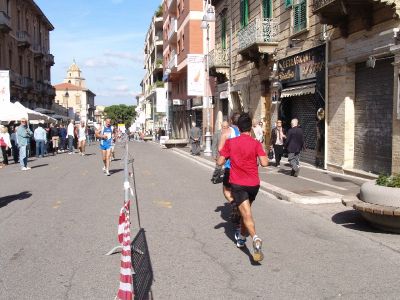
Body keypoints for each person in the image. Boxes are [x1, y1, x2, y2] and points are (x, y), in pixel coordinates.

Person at [217, 113, 268, 262]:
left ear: (238, 127)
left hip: (239, 184)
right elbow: (265, 163)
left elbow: (220, 162)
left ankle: (256, 238)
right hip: (254, 185)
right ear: (250, 128)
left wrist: (222, 157)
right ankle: (240, 238)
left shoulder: (231, 143)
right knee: (246, 212)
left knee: (246, 215)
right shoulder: (256, 143)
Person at [218, 113, 241, 219]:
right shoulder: (244, 132)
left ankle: (234, 204)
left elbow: (220, 149)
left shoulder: (227, 132)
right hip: (243, 166)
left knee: (226, 190)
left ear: (231, 121)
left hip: (230, 166)